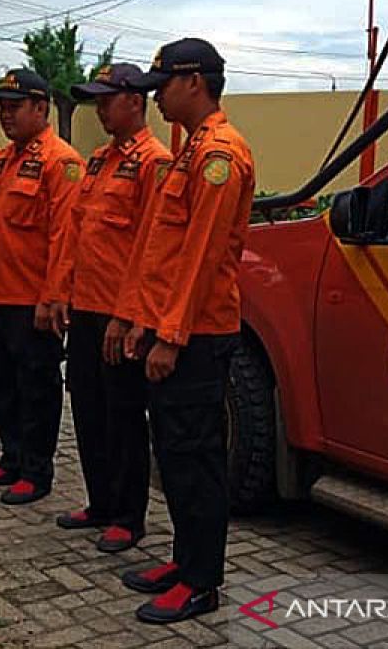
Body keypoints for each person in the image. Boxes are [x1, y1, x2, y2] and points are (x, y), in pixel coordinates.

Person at [113, 39, 255, 624]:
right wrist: (142, 323)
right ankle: (183, 558)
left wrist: (169, 337)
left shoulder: (221, 154)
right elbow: (160, 254)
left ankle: (203, 581)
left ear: (194, 82)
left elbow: (200, 254)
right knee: (171, 453)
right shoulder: (191, 150)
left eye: (163, 85)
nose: (156, 97)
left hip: (199, 333)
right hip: (173, 327)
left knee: (196, 458)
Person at [50, 63, 171, 553]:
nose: (99, 108)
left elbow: (151, 248)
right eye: (95, 100)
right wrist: (61, 292)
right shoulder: (98, 161)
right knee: (87, 409)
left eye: (107, 99)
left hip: (120, 315)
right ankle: (100, 501)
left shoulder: (154, 163)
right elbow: (77, 233)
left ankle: (127, 514)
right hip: (85, 308)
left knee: (123, 416)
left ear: (135, 102)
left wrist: (131, 318)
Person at [0, 69, 82, 505]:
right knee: (2, 383)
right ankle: (11, 458)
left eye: (15, 107)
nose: (6, 115)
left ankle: (37, 471)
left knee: (37, 388)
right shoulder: (1, 159)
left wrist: (53, 297)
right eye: (2, 107)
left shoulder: (61, 162)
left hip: (34, 301)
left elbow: (64, 238)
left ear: (41, 108)